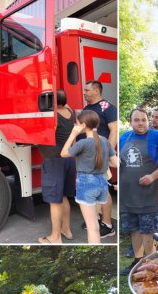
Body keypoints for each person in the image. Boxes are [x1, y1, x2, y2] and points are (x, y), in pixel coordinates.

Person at [119, 107, 158, 274]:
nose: (140, 123)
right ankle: (137, 262)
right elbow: (117, 159)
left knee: (148, 231)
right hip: (128, 194)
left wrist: (152, 176)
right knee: (134, 229)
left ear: (147, 120)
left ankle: (151, 264)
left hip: (149, 193)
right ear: (131, 122)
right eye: (136, 120)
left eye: (143, 119)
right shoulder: (123, 137)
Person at [60, 110, 117, 244]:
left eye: (78, 123)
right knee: (95, 225)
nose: (76, 125)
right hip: (102, 183)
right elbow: (115, 162)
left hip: (86, 184)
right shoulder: (104, 141)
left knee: (91, 227)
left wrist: (73, 134)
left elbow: (63, 153)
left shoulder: (83, 143)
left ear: (83, 125)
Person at [37, 90, 77, 244]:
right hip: (68, 159)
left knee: (55, 200)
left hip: (54, 160)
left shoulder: (52, 116)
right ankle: (66, 230)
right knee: (64, 196)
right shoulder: (69, 111)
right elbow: (64, 103)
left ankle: (55, 237)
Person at [81, 80, 118, 238]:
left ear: (96, 91)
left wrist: (107, 153)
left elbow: (114, 130)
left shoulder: (107, 107)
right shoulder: (87, 108)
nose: (84, 92)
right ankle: (95, 219)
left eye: (87, 90)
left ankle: (108, 225)